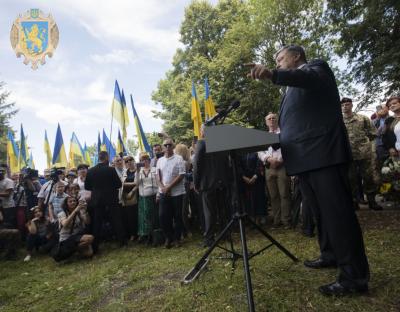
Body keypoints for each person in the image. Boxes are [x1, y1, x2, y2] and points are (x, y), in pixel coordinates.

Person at [247, 45, 369, 296]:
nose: (278, 63)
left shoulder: (316, 68)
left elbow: (307, 79)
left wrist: (271, 74)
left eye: (280, 58)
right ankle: (330, 254)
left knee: (338, 215)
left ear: (296, 57)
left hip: (323, 154)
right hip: (304, 160)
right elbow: (296, 124)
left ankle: (354, 278)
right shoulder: (291, 90)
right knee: (320, 214)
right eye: (276, 62)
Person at [341, 97, 381, 210]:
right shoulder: (339, 121)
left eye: (347, 104)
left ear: (352, 105)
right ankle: (354, 201)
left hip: (365, 154)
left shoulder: (362, 118)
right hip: (348, 155)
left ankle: (372, 201)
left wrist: (371, 150)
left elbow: (373, 134)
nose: (345, 107)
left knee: (368, 177)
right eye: (343, 105)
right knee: (351, 179)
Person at [193, 125, 230, 247]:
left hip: (207, 184)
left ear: (203, 132)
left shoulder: (201, 144)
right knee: (222, 210)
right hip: (221, 182)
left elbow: (197, 165)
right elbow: (226, 163)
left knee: (209, 212)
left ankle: (209, 239)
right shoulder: (221, 144)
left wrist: (196, 183)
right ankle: (225, 235)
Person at [258, 113, 292, 227]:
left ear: (277, 120)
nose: (271, 120)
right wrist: (268, 158)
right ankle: (277, 221)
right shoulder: (263, 136)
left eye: (274, 118)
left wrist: (279, 160)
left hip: (282, 166)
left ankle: (286, 220)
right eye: (269, 118)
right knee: (273, 196)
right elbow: (260, 151)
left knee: (284, 194)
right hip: (269, 168)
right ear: (266, 122)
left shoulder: (284, 133)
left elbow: (288, 147)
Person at [84, 151, 122, 253]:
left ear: (99, 158)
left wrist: (96, 189)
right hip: (111, 199)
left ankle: (95, 246)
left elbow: (87, 187)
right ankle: (122, 241)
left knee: (97, 223)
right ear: (106, 158)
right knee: (116, 220)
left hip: (97, 200)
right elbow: (119, 184)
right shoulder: (111, 170)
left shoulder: (91, 171)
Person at [156, 138, 186, 248]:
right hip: (163, 192)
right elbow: (157, 176)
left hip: (177, 193)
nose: (168, 147)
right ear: (163, 147)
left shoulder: (179, 158)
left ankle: (177, 239)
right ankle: (168, 237)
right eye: (165, 145)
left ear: (173, 146)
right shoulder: (160, 161)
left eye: (169, 145)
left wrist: (169, 187)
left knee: (178, 216)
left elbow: (181, 174)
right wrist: (163, 188)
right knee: (163, 216)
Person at [54, 196, 93, 261]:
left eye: (74, 201)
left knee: (89, 254)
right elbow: (65, 225)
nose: (73, 203)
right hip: (67, 238)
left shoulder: (79, 212)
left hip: (77, 236)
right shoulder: (62, 214)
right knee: (90, 238)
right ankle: (73, 250)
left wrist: (85, 211)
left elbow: (87, 222)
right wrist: (75, 211)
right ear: (66, 204)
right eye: (70, 201)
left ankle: (74, 251)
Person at [135, 153, 158, 244]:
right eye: (142, 160)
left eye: (146, 159)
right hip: (144, 198)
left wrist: (159, 194)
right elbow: (136, 184)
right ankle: (147, 235)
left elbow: (158, 181)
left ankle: (155, 235)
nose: (144, 161)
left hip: (154, 195)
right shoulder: (139, 171)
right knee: (145, 217)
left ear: (149, 160)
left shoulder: (154, 169)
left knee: (154, 216)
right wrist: (137, 171)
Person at [122, 155, 138, 242]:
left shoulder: (138, 170)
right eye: (126, 161)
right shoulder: (124, 172)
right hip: (126, 196)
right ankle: (132, 234)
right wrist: (133, 184)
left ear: (133, 160)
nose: (129, 162)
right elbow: (121, 184)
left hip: (136, 194)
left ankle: (138, 233)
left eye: (130, 160)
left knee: (137, 215)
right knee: (129, 216)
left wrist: (132, 191)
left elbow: (138, 183)